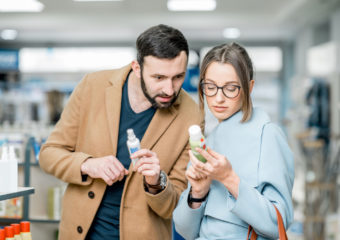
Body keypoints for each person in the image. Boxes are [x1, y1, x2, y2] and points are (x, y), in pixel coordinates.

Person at [39, 24, 203, 240]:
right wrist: (88, 165)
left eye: (178, 77)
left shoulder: (191, 116)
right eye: (159, 78)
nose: (170, 90)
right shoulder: (92, 87)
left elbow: (174, 205)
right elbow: (49, 154)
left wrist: (156, 181)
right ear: (137, 68)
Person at [173, 42, 294, 240]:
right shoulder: (207, 143)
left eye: (230, 88)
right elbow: (185, 231)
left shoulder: (268, 135)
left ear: (249, 87)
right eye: (210, 87)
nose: (218, 98)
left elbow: (277, 224)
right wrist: (197, 193)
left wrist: (229, 178)